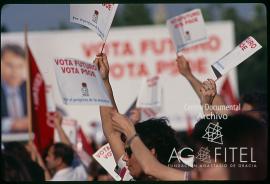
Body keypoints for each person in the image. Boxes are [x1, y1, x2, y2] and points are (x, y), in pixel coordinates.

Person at [96, 54, 184, 180]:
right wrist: (103, 81)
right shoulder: (127, 174)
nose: (125, 158)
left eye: (130, 152)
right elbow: (112, 132)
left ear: (150, 152)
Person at [1, 44, 28, 133]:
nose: (15, 71)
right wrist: (12, 124)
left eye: (20, 66)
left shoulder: (30, 88)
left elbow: (57, 112)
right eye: (10, 65)